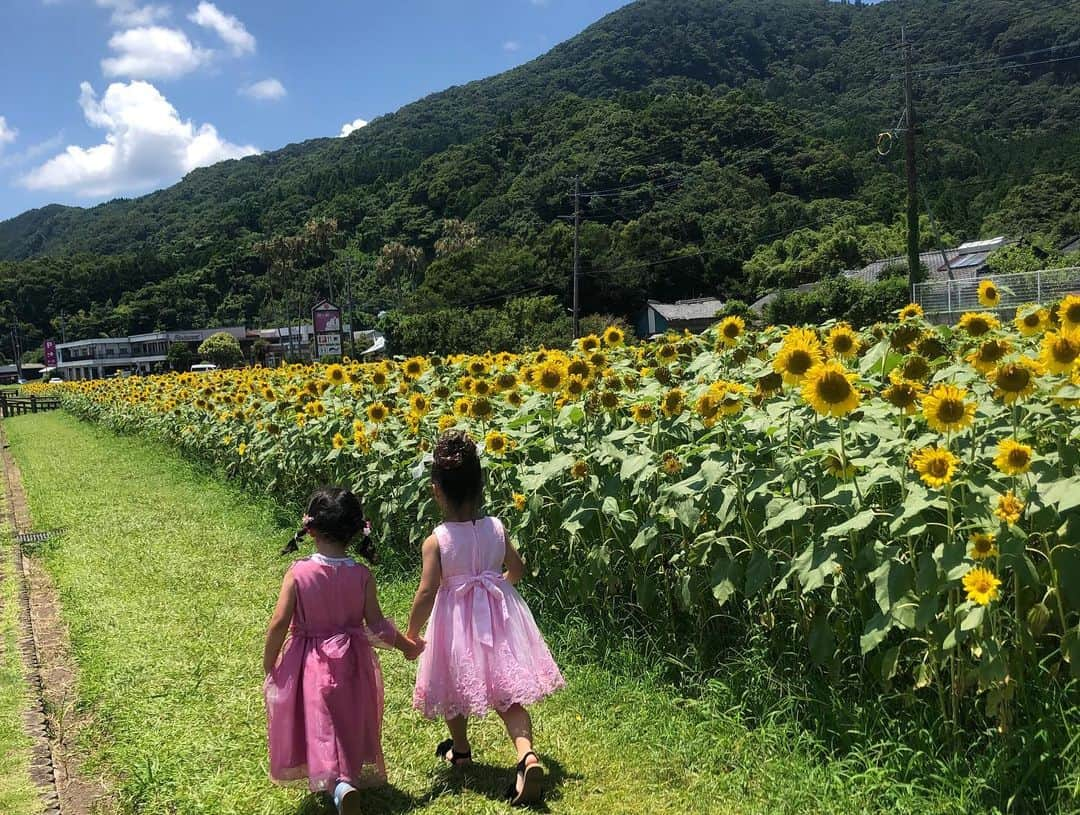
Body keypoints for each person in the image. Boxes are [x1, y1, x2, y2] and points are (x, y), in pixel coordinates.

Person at [407, 430, 565, 806]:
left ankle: (460, 749)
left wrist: (412, 632)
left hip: (454, 624)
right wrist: (498, 588)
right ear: (480, 487)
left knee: (451, 686)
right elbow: (518, 568)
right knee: (507, 692)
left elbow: (427, 591)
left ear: (436, 491)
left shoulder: (438, 539)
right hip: (498, 617)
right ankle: (526, 754)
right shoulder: (497, 527)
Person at [264, 487, 423, 815]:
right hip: (352, 661)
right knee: (348, 721)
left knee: (320, 722)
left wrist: (270, 662)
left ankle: (339, 787)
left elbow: (279, 622)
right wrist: (408, 647)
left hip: (309, 662)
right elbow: (377, 625)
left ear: (310, 528)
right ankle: (345, 776)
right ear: (355, 532)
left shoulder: (298, 573)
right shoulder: (361, 574)